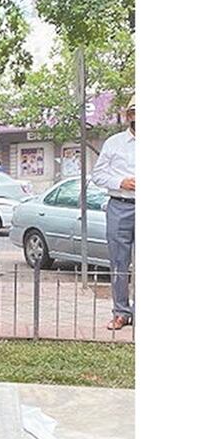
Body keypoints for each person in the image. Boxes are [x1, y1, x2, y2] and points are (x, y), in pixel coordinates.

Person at [90, 94, 136, 330]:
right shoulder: (114, 143)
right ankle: (121, 312)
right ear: (130, 116)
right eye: (136, 112)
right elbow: (97, 175)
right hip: (120, 205)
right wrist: (121, 182)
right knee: (119, 261)